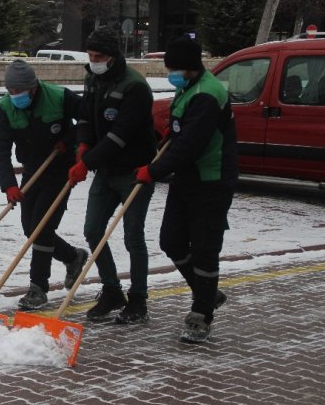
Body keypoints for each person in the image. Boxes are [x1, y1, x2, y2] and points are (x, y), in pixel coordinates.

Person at [135, 36, 238, 343]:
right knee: (171, 240)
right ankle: (207, 293)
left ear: (192, 67)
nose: (172, 73)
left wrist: (152, 171)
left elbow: (191, 145)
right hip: (187, 179)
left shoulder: (208, 93)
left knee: (205, 249)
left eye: (176, 69)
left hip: (212, 180)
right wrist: (172, 129)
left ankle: (201, 314)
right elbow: (183, 133)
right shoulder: (190, 87)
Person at [68, 25, 157, 324]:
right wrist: (82, 144)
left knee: (133, 236)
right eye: (90, 55)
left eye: (99, 55)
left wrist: (86, 163)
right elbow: (84, 116)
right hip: (105, 171)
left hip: (134, 172)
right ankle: (111, 289)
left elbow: (120, 136)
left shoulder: (135, 87)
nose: (93, 60)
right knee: (93, 229)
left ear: (113, 56)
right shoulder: (92, 78)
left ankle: (139, 299)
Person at [0, 59, 88, 311]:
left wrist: (69, 139)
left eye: (19, 91)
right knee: (30, 229)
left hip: (60, 169)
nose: (15, 96)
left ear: (33, 88)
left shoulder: (59, 97)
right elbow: (0, 148)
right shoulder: (4, 107)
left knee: (41, 228)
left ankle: (38, 288)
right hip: (33, 171)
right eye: (11, 91)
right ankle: (72, 256)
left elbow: (89, 120)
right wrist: (8, 185)